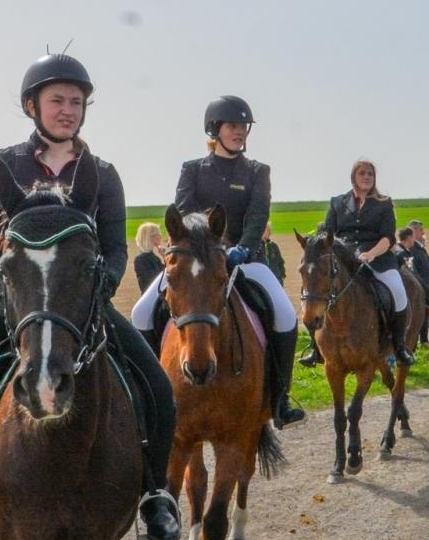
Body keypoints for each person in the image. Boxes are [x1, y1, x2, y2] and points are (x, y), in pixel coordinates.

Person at [0, 52, 181, 540]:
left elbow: (116, 245)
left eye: (76, 102)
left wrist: (101, 289)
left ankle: (153, 493)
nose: (68, 110)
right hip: (10, 301)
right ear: (31, 105)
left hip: (80, 307)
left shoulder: (102, 173)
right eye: (57, 100)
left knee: (157, 388)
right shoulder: (0, 164)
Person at [130, 95, 304, 426]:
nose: (239, 132)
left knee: (284, 314)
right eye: (232, 126)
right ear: (215, 129)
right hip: (198, 259)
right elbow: (184, 208)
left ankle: (279, 399)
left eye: (243, 127)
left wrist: (242, 247)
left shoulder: (257, 171)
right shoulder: (193, 169)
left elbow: (257, 214)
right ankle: (148, 396)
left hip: (242, 258)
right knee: (140, 314)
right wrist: (208, 247)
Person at [303, 159, 413, 368]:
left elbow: (388, 237)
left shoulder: (384, 202)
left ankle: (399, 347)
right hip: (345, 259)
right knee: (314, 291)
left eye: (370, 174)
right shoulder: (337, 202)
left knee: (398, 290)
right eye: (362, 173)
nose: (366, 177)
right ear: (353, 177)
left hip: (378, 257)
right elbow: (328, 234)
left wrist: (371, 254)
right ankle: (315, 348)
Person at [396, 221, 429, 310]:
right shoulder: (404, 253)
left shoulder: (410, 250)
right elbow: (413, 275)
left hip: (421, 291)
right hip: (417, 293)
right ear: (409, 237)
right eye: (420, 230)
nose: (423, 232)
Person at [132, 222, 165, 292]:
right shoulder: (140, 259)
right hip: (152, 300)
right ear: (149, 237)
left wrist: (165, 256)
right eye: (158, 234)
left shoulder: (154, 258)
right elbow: (154, 282)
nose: (160, 236)